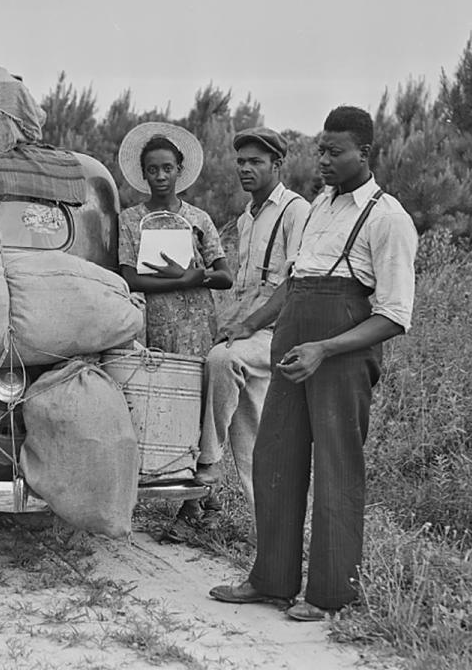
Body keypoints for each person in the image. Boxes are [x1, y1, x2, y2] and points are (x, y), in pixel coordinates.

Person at [209, 106, 418, 621]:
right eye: (319, 149)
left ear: (364, 153)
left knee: (335, 466)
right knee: (274, 458)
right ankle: (272, 580)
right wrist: (252, 324)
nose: (321, 160)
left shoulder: (388, 218)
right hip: (293, 344)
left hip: (341, 354)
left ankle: (330, 594)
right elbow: (296, 282)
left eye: (334, 152)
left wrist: (326, 348)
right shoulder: (321, 205)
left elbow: (393, 315)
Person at [117, 122, 233, 491]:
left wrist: (194, 278)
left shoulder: (199, 219)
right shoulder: (130, 219)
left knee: (198, 399)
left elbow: (224, 275)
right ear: (143, 173)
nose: (161, 176)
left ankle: (202, 492)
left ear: (180, 171)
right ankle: (157, 475)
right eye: (153, 169)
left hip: (197, 321)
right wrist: (180, 280)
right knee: (157, 395)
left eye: (167, 168)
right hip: (154, 320)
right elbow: (129, 276)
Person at [203, 128, 309, 525]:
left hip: (280, 331)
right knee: (252, 436)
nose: (245, 169)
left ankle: (207, 461)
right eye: (241, 162)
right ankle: (270, 532)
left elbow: (294, 283)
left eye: (256, 162)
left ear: (277, 165)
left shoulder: (296, 210)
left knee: (221, 361)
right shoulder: (247, 216)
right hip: (251, 327)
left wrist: (247, 325)